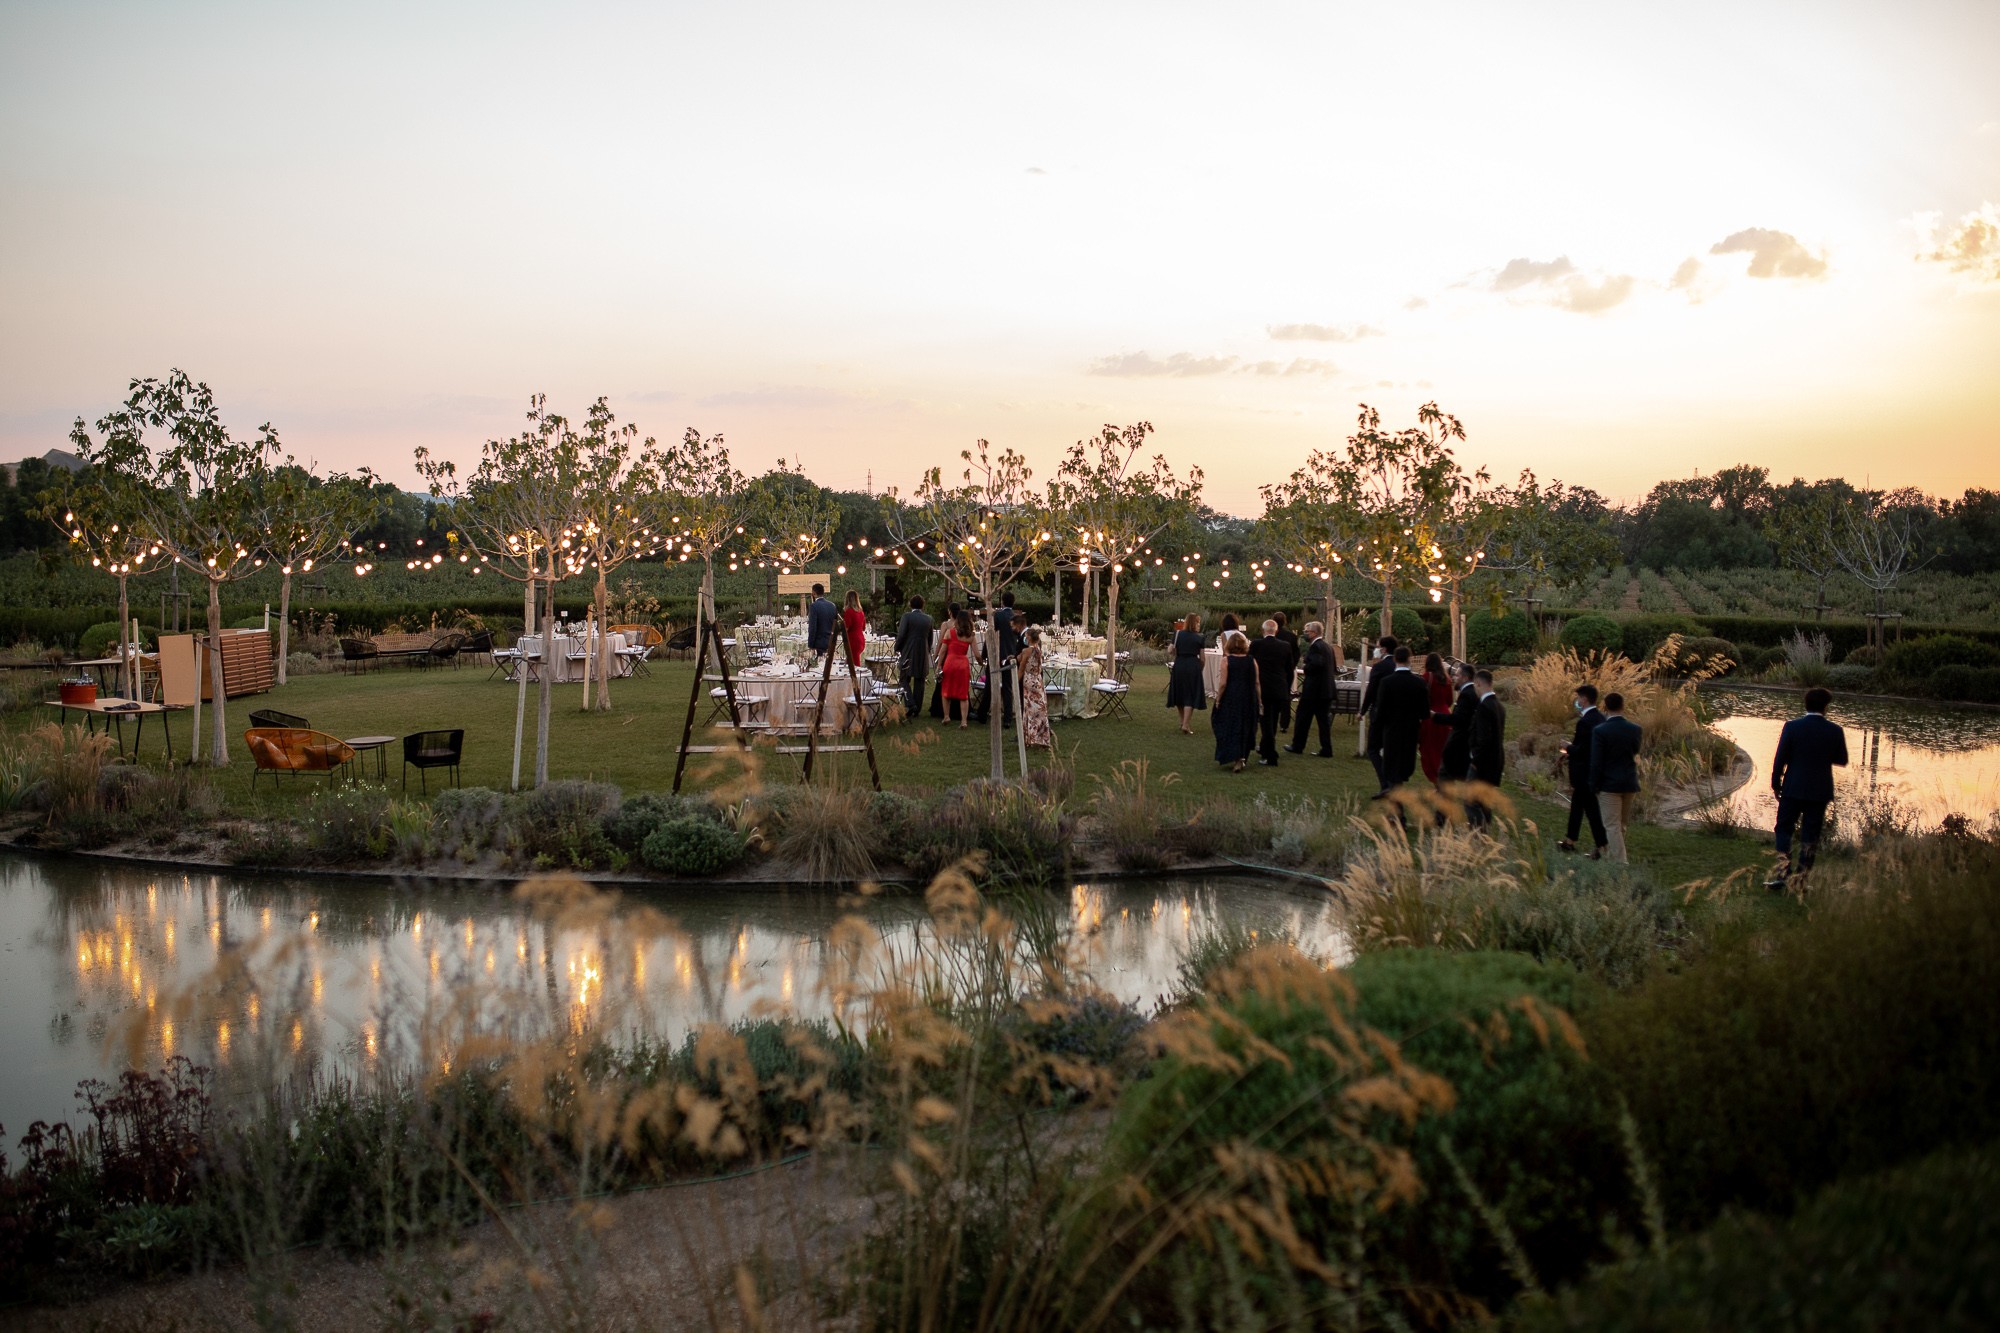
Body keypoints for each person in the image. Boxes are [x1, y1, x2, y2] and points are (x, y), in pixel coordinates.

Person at [1766, 686, 1849, 890]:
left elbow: (1780, 758)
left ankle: (1783, 874)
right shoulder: (1835, 731)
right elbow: (1842, 759)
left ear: (1806, 704)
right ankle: (1802, 879)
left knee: (1784, 828)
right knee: (1810, 834)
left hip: (1793, 787)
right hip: (1819, 790)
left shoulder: (1792, 727)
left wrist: (1776, 783)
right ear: (1825, 707)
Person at [1590, 691, 1643, 863]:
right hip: (1628, 782)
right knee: (1621, 825)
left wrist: (1593, 784)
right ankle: (1612, 857)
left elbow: (1597, 761)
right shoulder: (1635, 730)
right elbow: (1635, 751)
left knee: (1612, 825)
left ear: (1605, 707)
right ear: (1623, 706)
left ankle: (1621, 864)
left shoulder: (1600, 731)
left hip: (1609, 785)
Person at [1557, 684, 1608, 858]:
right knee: (1577, 806)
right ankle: (1570, 840)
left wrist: (1568, 747)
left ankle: (1602, 846)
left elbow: (1583, 750)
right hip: (1593, 771)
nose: (1577, 701)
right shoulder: (1601, 718)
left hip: (1583, 773)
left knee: (1592, 810)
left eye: (1579, 698)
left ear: (1585, 699)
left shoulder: (1585, 722)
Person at [1373, 646, 1433, 796]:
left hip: (1392, 730)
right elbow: (1425, 713)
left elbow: (1380, 711)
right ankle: (1397, 808)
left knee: (1392, 768)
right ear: (1409, 659)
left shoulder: (1387, 682)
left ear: (1395, 660)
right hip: (1411, 731)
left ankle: (1397, 810)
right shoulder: (1419, 683)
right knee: (1403, 768)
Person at [1248, 619, 1297, 766]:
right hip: (1279, 688)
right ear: (1275, 631)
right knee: (1273, 721)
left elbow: (1251, 665)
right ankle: (1265, 748)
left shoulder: (1256, 644)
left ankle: (1270, 755)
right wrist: (1286, 687)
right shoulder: (1285, 646)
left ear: (1263, 631)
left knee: (1265, 723)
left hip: (1262, 688)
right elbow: (1290, 670)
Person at [1463, 669, 1507, 827]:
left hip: (1482, 762)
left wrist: (1475, 759)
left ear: (1479, 684)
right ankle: (1485, 828)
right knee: (1485, 800)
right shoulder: (1499, 706)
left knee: (1470, 799)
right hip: (1496, 760)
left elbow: (1484, 738)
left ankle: (1478, 831)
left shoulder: (1484, 707)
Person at [1284, 621, 1335, 757]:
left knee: (1302, 718)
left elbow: (1317, 664)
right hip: (1326, 690)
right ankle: (1326, 748)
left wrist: (1306, 666)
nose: (1305, 634)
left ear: (1315, 633)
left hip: (1314, 691)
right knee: (1323, 721)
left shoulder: (1316, 647)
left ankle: (1298, 745)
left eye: (1307, 631)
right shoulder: (1327, 647)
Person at [1210, 631, 1260, 772]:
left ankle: (1234, 756)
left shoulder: (1226, 660)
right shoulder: (1252, 660)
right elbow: (1256, 682)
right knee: (1245, 725)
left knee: (1228, 724)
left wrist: (1218, 698)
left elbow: (1223, 683)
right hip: (1248, 697)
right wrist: (1259, 700)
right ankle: (1241, 756)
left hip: (1232, 696)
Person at [1359, 635, 1399, 778]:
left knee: (1373, 748)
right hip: (1396, 712)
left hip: (1380, 710)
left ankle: (1385, 780)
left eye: (1377, 647)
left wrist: (1362, 710)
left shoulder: (1380, 667)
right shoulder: (1398, 665)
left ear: (1383, 649)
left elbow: (1371, 690)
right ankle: (1392, 778)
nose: (1375, 650)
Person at [1432, 660, 1478, 783]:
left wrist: (1435, 716)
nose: (1454, 678)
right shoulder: (1472, 693)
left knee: (1445, 773)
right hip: (1464, 742)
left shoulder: (1466, 695)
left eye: (1457, 675)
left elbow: (1458, 719)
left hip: (1459, 742)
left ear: (1465, 677)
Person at [1166, 612, 1207, 733]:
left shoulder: (1178, 634)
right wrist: (1200, 668)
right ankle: (1185, 724)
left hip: (1179, 665)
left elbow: (1170, 650)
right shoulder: (1200, 638)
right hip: (1193, 665)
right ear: (1195, 623)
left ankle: (1183, 722)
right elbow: (1203, 658)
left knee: (1180, 693)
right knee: (1190, 695)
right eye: (1198, 622)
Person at [1419, 652, 1454, 785]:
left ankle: (1437, 781)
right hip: (1445, 716)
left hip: (1431, 717)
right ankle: (1443, 780)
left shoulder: (1427, 677)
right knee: (1442, 751)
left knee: (1429, 751)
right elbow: (1449, 700)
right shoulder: (1446, 679)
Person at [895, 595, 933, 714]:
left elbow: (901, 635)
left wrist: (897, 647)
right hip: (922, 651)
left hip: (908, 651)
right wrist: (927, 649)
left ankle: (910, 703)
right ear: (922, 605)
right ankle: (917, 707)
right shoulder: (928, 619)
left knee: (903, 678)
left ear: (910, 604)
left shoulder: (907, 617)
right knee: (920, 679)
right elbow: (930, 638)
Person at [936, 608, 974, 728]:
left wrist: (938, 665)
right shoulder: (971, 635)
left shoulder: (950, 632)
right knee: (963, 694)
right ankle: (964, 721)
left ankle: (946, 716)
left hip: (950, 662)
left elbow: (943, 651)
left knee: (946, 691)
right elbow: (977, 654)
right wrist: (980, 662)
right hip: (963, 663)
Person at [1019, 626, 1052, 750]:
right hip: (1038, 681)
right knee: (1040, 709)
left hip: (1029, 681)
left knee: (1029, 710)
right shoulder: (1038, 649)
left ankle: (1030, 737)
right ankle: (1042, 738)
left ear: (1028, 637)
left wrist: (1014, 683)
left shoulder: (1027, 651)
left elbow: (1021, 669)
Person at [928, 601, 960, 720]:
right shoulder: (962, 623)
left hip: (947, 655)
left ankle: (940, 708)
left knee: (943, 682)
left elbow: (941, 641)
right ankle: (957, 708)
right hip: (958, 656)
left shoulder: (946, 625)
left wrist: (935, 655)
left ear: (949, 612)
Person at [1272, 612, 1300, 729]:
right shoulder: (1291, 636)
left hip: (1272, 671)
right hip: (1287, 671)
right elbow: (1297, 654)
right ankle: (1284, 723)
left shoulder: (1271, 635)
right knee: (1285, 697)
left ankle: (1271, 719)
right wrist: (1292, 666)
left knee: (1271, 696)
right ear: (1285, 622)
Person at [805, 584, 838, 658]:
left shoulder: (814, 606)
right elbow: (836, 625)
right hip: (831, 641)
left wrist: (810, 645)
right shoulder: (832, 605)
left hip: (819, 643)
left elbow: (813, 628)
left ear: (813, 593)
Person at [840, 589, 868, 667]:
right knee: (852, 661)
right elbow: (863, 627)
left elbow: (846, 627)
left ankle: (855, 678)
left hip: (853, 640)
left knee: (855, 665)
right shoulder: (861, 612)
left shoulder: (849, 612)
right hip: (861, 639)